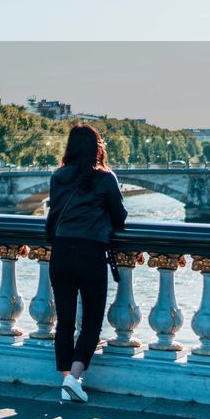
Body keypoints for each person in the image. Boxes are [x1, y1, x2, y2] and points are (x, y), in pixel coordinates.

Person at [46, 123, 126, 404]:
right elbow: (120, 217)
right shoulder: (105, 178)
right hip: (90, 252)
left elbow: (53, 214)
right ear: (97, 148)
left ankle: (67, 380)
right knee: (91, 321)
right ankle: (74, 378)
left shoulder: (58, 177)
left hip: (60, 252)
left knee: (65, 321)